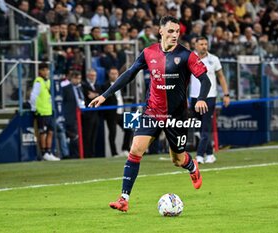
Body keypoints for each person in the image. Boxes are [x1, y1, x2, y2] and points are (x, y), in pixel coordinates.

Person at [89, 16, 212, 212]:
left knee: (177, 160)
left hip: (176, 116)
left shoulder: (187, 55)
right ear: (160, 31)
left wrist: (202, 98)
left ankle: (192, 167)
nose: (174, 35)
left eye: (177, 32)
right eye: (170, 31)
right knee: (136, 149)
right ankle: (123, 198)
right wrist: (105, 95)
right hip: (152, 112)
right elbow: (129, 74)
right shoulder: (148, 52)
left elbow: (205, 80)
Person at [190, 37, 230, 164]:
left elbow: (221, 77)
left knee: (205, 127)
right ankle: (210, 154)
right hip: (194, 97)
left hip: (209, 97)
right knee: (198, 128)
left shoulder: (214, 59)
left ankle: (200, 155)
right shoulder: (190, 59)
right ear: (195, 45)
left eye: (205, 44)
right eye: (201, 44)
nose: (204, 46)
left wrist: (226, 94)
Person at [30, 63, 60, 161]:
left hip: (48, 111)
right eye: (44, 70)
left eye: (47, 70)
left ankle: (49, 151)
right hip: (41, 111)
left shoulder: (48, 81)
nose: (46, 72)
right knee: (43, 133)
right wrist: (34, 108)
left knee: (50, 132)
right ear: (40, 71)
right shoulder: (38, 81)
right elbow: (33, 96)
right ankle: (43, 153)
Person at [102, 67, 133, 157]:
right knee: (112, 133)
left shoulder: (121, 84)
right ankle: (114, 153)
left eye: (116, 73)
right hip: (111, 113)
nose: (114, 75)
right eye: (112, 73)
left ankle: (125, 149)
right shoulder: (105, 86)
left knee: (129, 129)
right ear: (109, 74)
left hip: (121, 112)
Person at [62, 70, 85, 158]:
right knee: (74, 137)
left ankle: (77, 155)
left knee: (77, 137)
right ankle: (74, 155)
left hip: (79, 115)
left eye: (79, 78)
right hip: (70, 117)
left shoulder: (79, 88)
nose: (78, 81)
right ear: (71, 78)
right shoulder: (65, 88)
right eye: (76, 78)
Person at [81, 69, 102, 157]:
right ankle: (87, 154)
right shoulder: (84, 85)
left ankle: (92, 153)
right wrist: (97, 95)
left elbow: (99, 95)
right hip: (88, 115)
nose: (93, 77)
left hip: (96, 114)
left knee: (94, 135)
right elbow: (89, 96)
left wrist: (95, 95)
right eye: (91, 75)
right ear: (87, 76)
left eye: (94, 75)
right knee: (87, 135)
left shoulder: (97, 85)